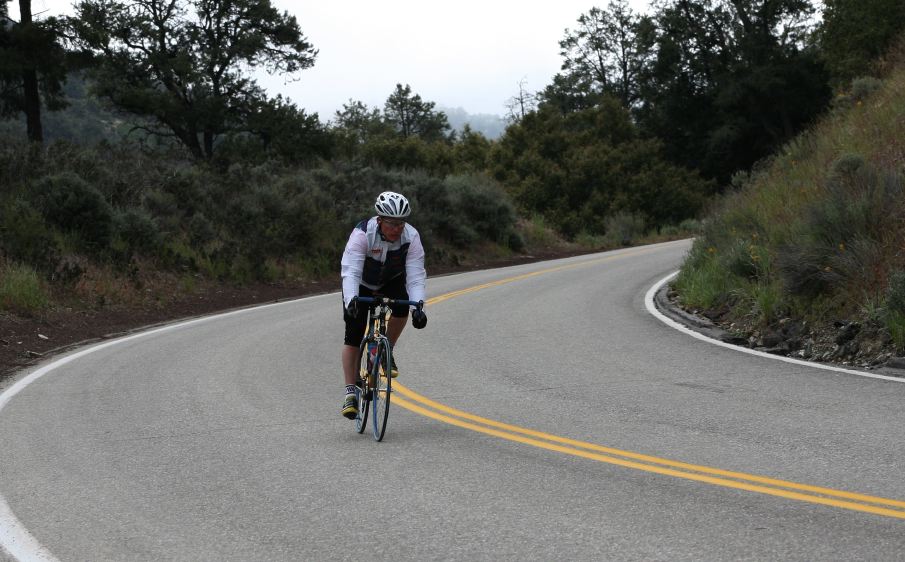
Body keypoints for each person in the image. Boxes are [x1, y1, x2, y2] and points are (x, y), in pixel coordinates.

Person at [340, 191, 428, 419]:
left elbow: (416, 276)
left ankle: (386, 348)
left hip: (391, 280)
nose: (397, 228)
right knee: (354, 332)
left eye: (401, 223)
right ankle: (350, 392)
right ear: (379, 221)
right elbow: (351, 271)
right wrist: (351, 301)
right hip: (361, 282)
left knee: (402, 306)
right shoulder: (362, 235)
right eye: (392, 223)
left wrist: (419, 306)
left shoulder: (411, 237)